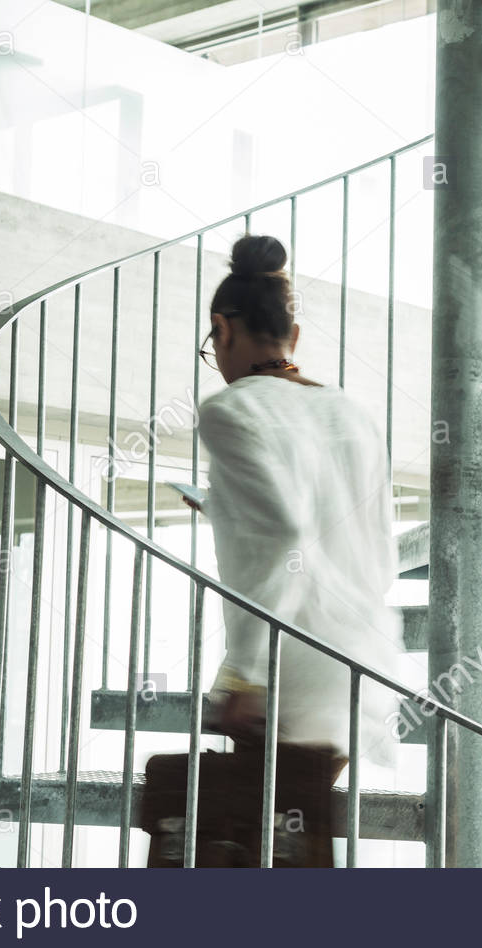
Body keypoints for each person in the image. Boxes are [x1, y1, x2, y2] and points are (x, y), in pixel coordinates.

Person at [186, 234, 404, 862]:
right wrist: (222, 504)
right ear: (295, 335)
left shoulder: (230, 410)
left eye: (212, 343)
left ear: (222, 329)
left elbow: (286, 535)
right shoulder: (351, 412)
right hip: (362, 653)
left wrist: (243, 672)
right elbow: (372, 547)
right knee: (293, 847)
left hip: (292, 660)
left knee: (250, 845)